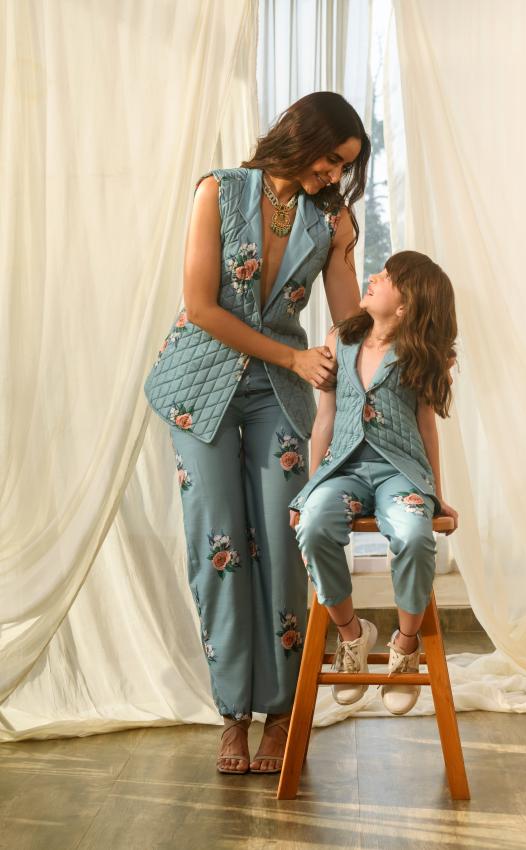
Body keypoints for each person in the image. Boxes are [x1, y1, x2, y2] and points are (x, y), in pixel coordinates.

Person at [143, 92, 370, 773]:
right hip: (199, 387)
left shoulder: (326, 222)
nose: (333, 175)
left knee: (281, 539)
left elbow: (349, 322)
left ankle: (278, 715)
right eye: (331, 158)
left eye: (344, 167)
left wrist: (348, 251)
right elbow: (201, 307)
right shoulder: (218, 190)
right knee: (218, 544)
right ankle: (231, 715)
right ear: (300, 137)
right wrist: (294, 355)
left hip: (278, 397)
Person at [290, 250, 459, 715]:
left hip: (398, 471)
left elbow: (427, 424)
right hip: (342, 468)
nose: (372, 277)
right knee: (315, 522)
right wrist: (309, 487)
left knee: (412, 533)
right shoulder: (340, 341)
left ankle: (406, 648)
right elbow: (325, 419)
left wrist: (436, 494)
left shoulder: (417, 354)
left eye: (384, 278)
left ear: (404, 307)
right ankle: (351, 635)